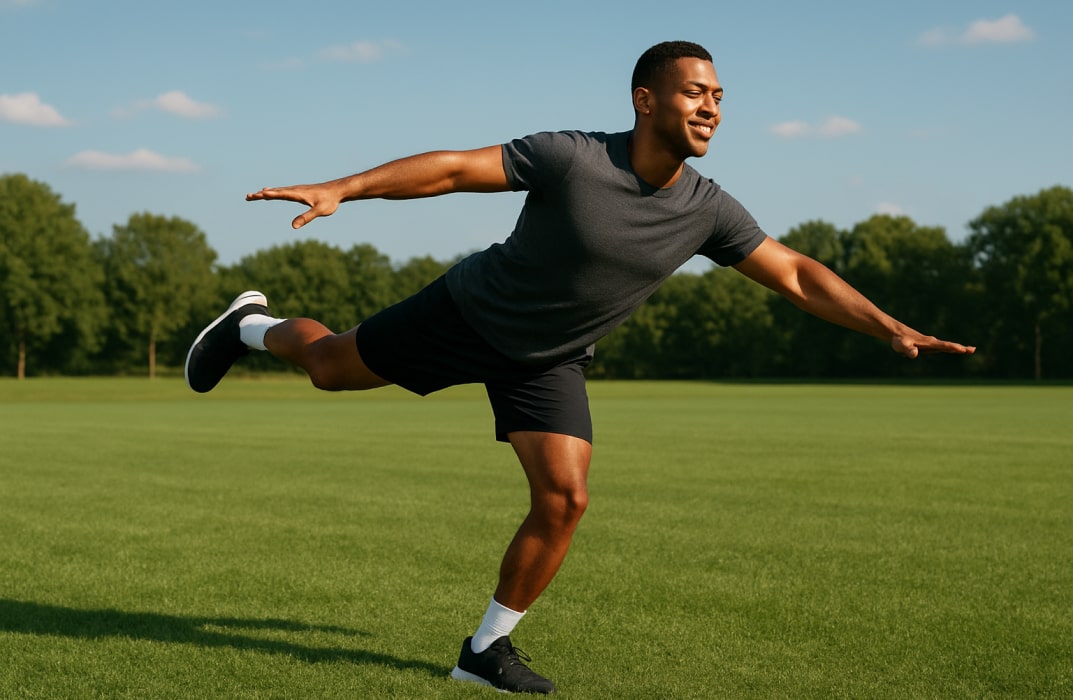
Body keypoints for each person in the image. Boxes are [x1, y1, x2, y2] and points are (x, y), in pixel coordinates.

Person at [185, 40, 974, 694]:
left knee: (564, 498)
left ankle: (484, 650)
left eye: (719, 97)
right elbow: (456, 169)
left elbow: (796, 273)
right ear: (644, 100)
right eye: (695, 93)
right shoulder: (572, 158)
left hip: (547, 358)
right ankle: (253, 326)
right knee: (328, 367)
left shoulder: (707, 208)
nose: (711, 108)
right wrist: (342, 189)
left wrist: (887, 326)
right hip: (467, 315)